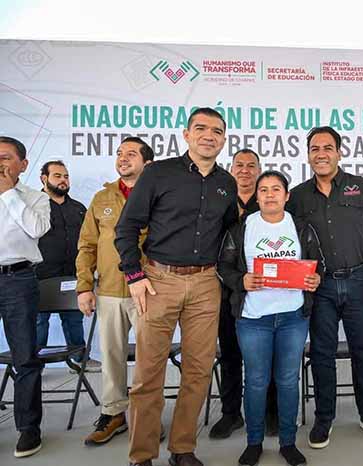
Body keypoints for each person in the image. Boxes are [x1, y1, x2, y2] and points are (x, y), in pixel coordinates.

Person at [115, 108, 238, 466]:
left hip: (206, 284)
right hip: (158, 281)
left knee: (198, 371)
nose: (209, 135)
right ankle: (142, 455)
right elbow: (126, 228)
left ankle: (182, 449)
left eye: (217, 131)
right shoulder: (158, 173)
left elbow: (230, 236)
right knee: (148, 374)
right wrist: (134, 276)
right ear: (186, 135)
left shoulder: (226, 183)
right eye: (201, 128)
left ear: (224, 139)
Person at [287, 126, 363, 448]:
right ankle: (324, 418)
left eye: (327, 148)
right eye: (315, 149)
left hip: (360, 281)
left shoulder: (361, 187)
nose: (321, 154)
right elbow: (288, 241)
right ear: (308, 155)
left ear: (339, 152)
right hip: (320, 286)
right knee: (322, 353)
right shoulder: (298, 196)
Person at [219, 170, 323, 466]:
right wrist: (241, 281)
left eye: (276, 189)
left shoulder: (300, 227)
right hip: (253, 318)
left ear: (287, 196)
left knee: (288, 380)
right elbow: (223, 267)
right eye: (263, 190)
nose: (269, 195)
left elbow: (318, 265)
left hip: (292, 317)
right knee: (256, 381)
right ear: (257, 196)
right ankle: (254, 442)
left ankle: (288, 443)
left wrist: (316, 278)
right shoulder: (242, 228)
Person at [76, 137, 153, 445]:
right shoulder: (101, 197)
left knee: (149, 360)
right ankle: (113, 413)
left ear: (147, 163)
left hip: (148, 289)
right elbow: (87, 245)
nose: (123, 158)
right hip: (108, 289)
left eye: (131, 154)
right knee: (110, 356)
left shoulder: (159, 196)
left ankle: (146, 418)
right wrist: (84, 287)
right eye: (120, 153)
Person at [210, 148, 279, 439]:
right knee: (230, 353)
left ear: (259, 171)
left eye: (251, 166)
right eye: (240, 165)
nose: (245, 170)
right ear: (231, 169)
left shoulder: (268, 203)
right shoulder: (219, 201)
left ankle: (271, 412)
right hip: (227, 290)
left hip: (265, 291)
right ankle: (231, 414)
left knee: (268, 355)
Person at [0, 136, 51, 458]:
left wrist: (7, 194)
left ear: (23, 164)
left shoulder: (35, 198)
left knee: (25, 356)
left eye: (5, 157)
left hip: (18, 279)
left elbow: (36, 230)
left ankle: (28, 428)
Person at [34, 160, 100, 371]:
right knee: (39, 322)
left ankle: (80, 359)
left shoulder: (79, 209)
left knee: (74, 319)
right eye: (57, 176)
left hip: (73, 275)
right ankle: (34, 364)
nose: (63, 180)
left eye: (65, 176)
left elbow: (90, 241)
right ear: (44, 179)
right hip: (40, 276)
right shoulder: (34, 206)